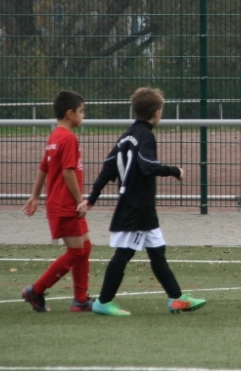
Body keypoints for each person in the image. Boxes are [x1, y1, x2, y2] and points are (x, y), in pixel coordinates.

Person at [78, 87, 206, 316]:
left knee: (157, 252)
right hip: (136, 207)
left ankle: (176, 298)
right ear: (157, 113)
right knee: (123, 254)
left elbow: (107, 169)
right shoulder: (145, 135)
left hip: (141, 207)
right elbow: (148, 165)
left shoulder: (126, 136)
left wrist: (91, 199)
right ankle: (103, 302)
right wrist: (175, 171)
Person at [21, 90, 93, 313]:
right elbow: (68, 172)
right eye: (81, 111)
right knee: (76, 252)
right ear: (70, 113)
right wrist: (80, 201)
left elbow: (44, 168)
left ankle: (80, 299)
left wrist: (35, 196)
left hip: (61, 203)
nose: (83, 115)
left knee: (85, 247)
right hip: (66, 205)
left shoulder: (55, 136)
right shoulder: (68, 138)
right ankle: (36, 290)